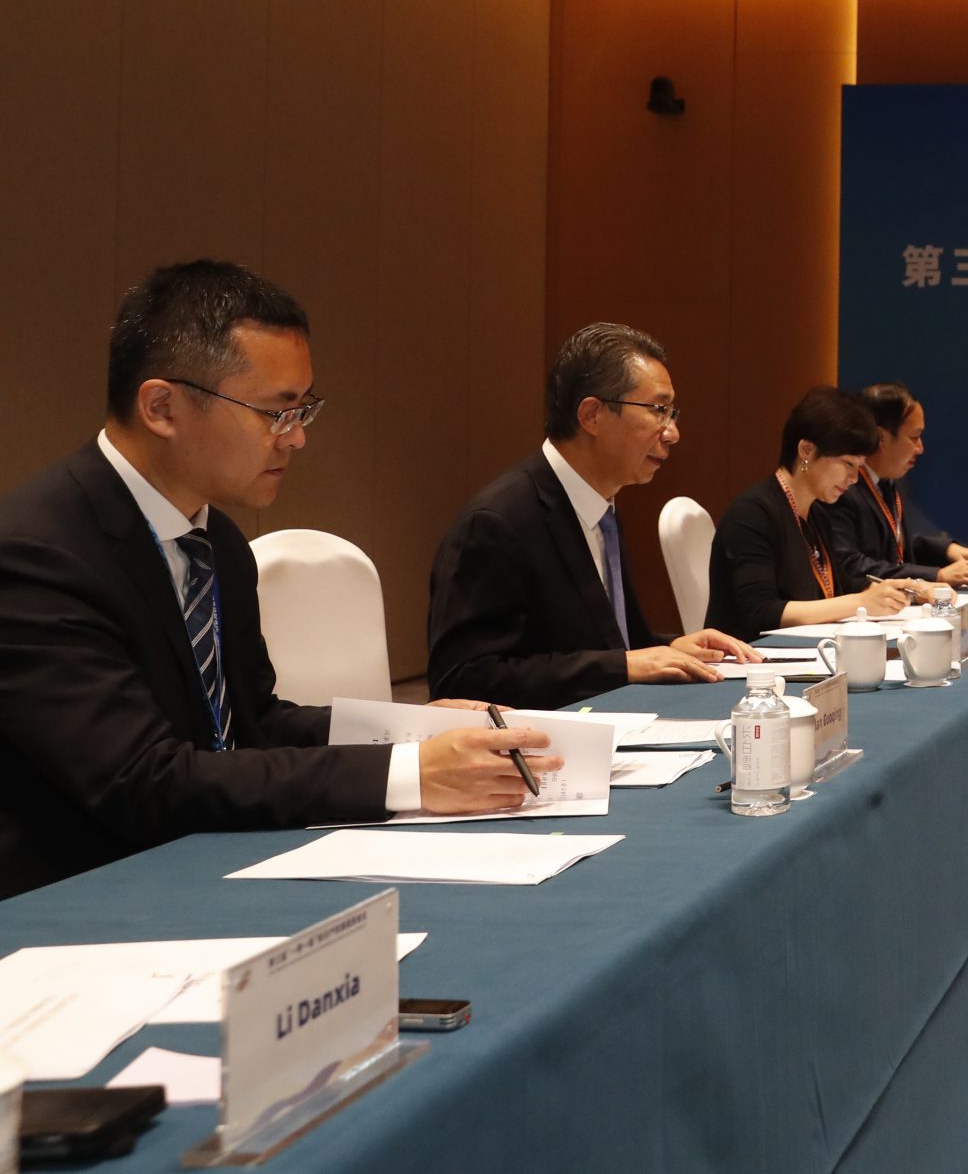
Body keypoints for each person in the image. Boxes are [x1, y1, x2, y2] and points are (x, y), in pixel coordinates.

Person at [0, 261, 562, 900]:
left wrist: (411, 730)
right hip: (78, 899)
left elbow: (254, 725)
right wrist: (409, 772)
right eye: (275, 412)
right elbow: (144, 780)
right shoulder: (36, 556)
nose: (295, 439)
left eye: (303, 410)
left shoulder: (215, 542)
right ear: (162, 407)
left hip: (202, 860)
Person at [428, 323, 757, 710]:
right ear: (592, 415)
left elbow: (607, 645)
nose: (672, 433)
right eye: (658, 410)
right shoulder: (497, 523)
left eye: (672, 413)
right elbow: (463, 679)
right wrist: (624, 665)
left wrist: (671, 647)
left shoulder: (601, 509)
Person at [705, 387, 925, 639]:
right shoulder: (752, 513)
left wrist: (890, 590)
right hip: (751, 656)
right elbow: (760, 611)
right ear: (806, 450)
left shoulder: (817, 514)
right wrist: (860, 602)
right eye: (848, 464)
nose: (854, 478)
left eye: (859, 466)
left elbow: (841, 586)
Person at [822, 382, 968, 587]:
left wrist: (947, 550)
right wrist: (936, 575)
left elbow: (897, 547)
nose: (920, 448)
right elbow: (850, 566)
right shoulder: (841, 488)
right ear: (881, 437)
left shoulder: (890, 481)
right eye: (914, 437)